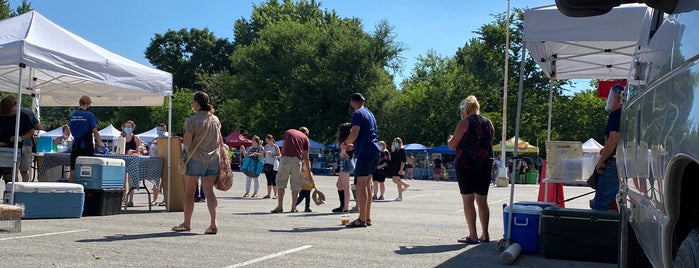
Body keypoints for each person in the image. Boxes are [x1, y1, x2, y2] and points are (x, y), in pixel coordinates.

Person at [171, 91, 221, 234]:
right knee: (209, 191)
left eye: (193, 102)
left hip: (196, 158)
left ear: (197, 103)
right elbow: (218, 140)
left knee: (189, 192)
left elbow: (187, 143)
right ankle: (213, 223)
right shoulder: (215, 120)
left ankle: (186, 223)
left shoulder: (192, 120)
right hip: (212, 158)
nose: (192, 104)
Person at [448, 95, 495, 244]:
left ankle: (473, 235)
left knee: (468, 200)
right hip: (485, 164)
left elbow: (452, 145)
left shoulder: (464, 123)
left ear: (465, 109)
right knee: (482, 200)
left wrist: (450, 138)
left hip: (466, 164)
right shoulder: (489, 123)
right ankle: (485, 234)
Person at [342, 92, 380, 228]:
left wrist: (344, 145)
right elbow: (368, 134)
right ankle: (367, 217)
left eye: (351, 103)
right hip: (374, 150)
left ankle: (361, 219)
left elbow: (354, 133)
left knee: (361, 185)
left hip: (366, 152)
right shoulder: (370, 114)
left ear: (353, 102)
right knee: (367, 184)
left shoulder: (357, 114)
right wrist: (354, 144)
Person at [592, 84, 623, 211]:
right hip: (623, 162)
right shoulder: (629, 115)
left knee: (600, 203)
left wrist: (601, 161)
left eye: (613, 98)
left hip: (613, 162)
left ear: (618, 99)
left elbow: (612, 141)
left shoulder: (617, 114)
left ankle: (600, 230)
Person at [271, 127, 311, 213]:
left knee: (281, 182)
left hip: (285, 158)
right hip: (296, 160)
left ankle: (280, 206)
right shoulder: (305, 138)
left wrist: (283, 158)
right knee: (295, 184)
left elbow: (284, 146)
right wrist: (309, 172)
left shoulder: (289, 131)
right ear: (306, 134)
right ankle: (293, 207)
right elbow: (306, 157)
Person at [69, 96, 105, 183]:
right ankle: (86, 189)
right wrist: (101, 144)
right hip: (86, 145)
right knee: (88, 169)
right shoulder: (90, 115)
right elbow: (95, 132)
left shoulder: (72, 115)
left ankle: (71, 191)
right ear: (88, 104)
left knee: (73, 169)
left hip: (75, 145)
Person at [0, 97, 35, 183]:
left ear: (15, 106)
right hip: (2, 149)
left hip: (14, 149)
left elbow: (31, 131)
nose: (8, 114)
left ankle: (13, 194)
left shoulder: (23, 116)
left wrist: (21, 137)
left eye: (11, 111)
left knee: (11, 176)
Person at [120, 120, 142, 207]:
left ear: (133, 128)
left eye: (129, 126)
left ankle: (131, 200)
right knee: (123, 180)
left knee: (131, 180)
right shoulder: (121, 137)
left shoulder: (136, 138)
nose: (128, 128)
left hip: (133, 160)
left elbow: (139, 151)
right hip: (123, 160)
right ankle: (123, 197)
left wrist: (133, 152)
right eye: (126, 126)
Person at [332, 122, 353, 213]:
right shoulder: (346, 142)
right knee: (339, 185)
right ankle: (342, 205)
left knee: (345, 186)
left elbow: (348, 156)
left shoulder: (348, 143)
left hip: (346, 164)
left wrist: (343, 151)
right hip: (343, 164)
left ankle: (345, 207)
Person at [150, 123, 168, 206]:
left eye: (161, 130)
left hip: (165, 161)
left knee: (165, 182)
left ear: (165, 130)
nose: (159, 131)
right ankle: (154, 200)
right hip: (156, 161)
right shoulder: (154, 139)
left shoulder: (167, 138)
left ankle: (165, 200)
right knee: (155, 182)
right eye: (158, 130)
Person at [390, 137, 409, 201]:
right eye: (394, 142)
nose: (395, 143)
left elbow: (403, 161)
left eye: (397, 142)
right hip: (395, 166)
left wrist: (401, 169)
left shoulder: (401, 150)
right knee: (397, 181)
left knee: (395, 179)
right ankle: (400, 196)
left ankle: (405, 185)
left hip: (399, 166)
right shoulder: (394, 150)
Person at [262, 134, 280, 199]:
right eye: (266, 141)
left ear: (271, 140)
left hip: (273, 165)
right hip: (267, 164)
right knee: (268, 180)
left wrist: (273, 155)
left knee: (274, 179)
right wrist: (263, 152)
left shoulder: (276, 147)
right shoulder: (266, 146)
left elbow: (280, 156)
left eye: (268, 140)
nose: (267, 142)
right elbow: (263, 155)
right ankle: (268, 194)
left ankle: (276, 194)